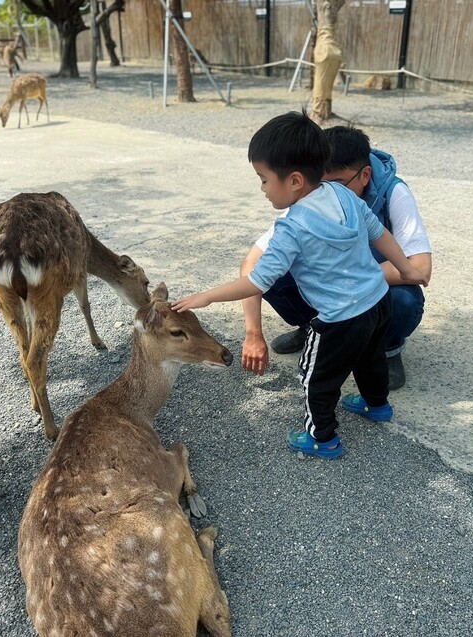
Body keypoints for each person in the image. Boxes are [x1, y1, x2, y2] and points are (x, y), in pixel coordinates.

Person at [172, 111, 420, 459]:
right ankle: (376, 404)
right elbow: (380, 234)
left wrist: (208, 297)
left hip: (340, 318)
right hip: (378, 302)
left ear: (295, 181)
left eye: (262, 179)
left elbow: (257, 280)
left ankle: (322, 437)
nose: (261, 189)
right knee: (370, 358)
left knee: (315, 377)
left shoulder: (292, 226)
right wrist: (405, 268)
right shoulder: (342, 193)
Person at [240, 126, 432, 390]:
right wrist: (253, 335)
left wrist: (353, 279)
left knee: (404, 300)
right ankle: (315, 327)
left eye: (337, 184)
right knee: (273, 272)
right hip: (338, 294)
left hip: (371, 295)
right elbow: (252, 264)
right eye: (323, 183)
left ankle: (386, 350)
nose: (327, 191)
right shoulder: (317, 193)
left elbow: (420, 267)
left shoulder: (394, 193)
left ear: (365, 175)